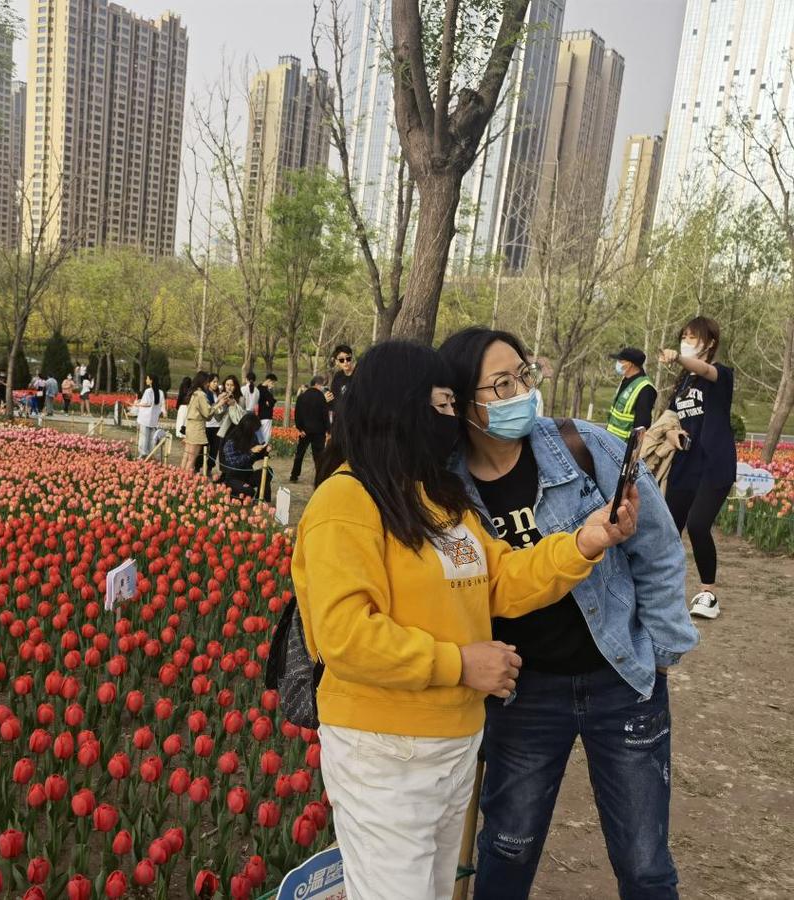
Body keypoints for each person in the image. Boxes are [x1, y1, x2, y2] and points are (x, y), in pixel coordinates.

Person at [292, 339, 639, 900]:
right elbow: (345, 636)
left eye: (454, 404)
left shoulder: (439, 500)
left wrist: (583, 541)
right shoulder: (346, 501)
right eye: (442, 404)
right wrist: (458, 663)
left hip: (454, 742)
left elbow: (500, 580)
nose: (452, 419)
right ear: (400, 406)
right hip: (385, 749)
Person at [439, 327, 697, 900]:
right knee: (507, 850)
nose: (519, 393)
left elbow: (654, 546)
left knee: (645, 861)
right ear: (463, 400)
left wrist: (656, 654)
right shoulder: (445, 484)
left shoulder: (584, 446)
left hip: (618, 677)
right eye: (500, 384)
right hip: (522, 692)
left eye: (523, 376)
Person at [660, 316, 736, 620]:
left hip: (714, 464)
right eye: (683, 337)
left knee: (699, 524)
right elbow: (668, 418)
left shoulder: (721, 375)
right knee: (667, 528)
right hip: (685, 465)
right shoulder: (682, 383)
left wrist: (678, 357)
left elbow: (705, 369)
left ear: (710, 343)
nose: (686, 342)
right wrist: (670, 433)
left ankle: (708, 593)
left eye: (692, 338)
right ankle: (664, 590)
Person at [607, 347, 657, 439]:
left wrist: (634, 450)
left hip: (625, 446)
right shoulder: (626, 380)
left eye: (620, 361)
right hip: (612, 440)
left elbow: (642, 425)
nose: (617, 364)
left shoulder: (645, 388)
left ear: (630, 364)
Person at [219, 412, 269, 500]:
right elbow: (234, 463)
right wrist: (251, 452)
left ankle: (261, 500)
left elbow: (255, 457)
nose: (256, 432)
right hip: (233, 478)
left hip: (247, 474)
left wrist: (264, 451)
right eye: (254, 430)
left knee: (267, 472)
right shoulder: (231, 441)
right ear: (248, 428)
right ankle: (232, 493)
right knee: (249, 492)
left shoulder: (252, 437)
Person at [290, 375, 330, 483]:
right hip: (319, 432)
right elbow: (324, 415)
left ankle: (294, 475)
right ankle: (319, 476)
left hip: (305, 431)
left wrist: (300, 428)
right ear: (317, 384)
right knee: (318, 455)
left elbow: (297, 414)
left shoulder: (301, 397)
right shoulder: (321, 397)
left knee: (300, 454)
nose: (323, 388)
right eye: (322, 385)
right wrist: (328, 430)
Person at [180, 372, 213, 472]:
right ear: (203, 382)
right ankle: (184, 481)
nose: (208, 384)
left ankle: (179, 478)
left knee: (186, 456)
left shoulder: (193, 393)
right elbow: (207, 413)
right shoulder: (201, 395)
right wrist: (218, 404)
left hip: (190, 427)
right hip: (197, 428)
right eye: (208, 382)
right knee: (192, 459)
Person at [134, 374, 164, 460]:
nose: (146, 380)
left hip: (145, 418)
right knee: (151, 438)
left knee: (144, 437)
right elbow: (161, 405)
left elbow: (147, 403)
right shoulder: (160, 392)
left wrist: (137, 404)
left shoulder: (148, 391)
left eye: (147, 379)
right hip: (153, 419)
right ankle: (151, 455)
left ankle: (143, 455)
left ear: (151, 380)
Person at [328, 344, 354, 416]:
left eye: (348, 358)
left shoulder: (359, 375)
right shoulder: (337, 377)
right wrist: (326, 399)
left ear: (351, 358)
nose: (345, 362)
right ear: (337, 361)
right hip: (339, 420)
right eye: (341, 360)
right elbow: (333, 399)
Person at [257, 373, 277, 444]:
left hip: (261, 415)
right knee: (265, 437)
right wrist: (271, 402)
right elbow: (272, 402)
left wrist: (271, 401)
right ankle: (263, 453)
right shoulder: (264, 391)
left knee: (261, 436)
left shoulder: (259, 388)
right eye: (273, 383)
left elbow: (272, 401)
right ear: (269, 381)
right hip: (266, 416)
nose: (273, 385)